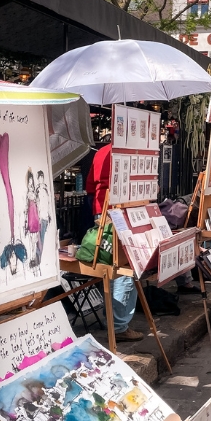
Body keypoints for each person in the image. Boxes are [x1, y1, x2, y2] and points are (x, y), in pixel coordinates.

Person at [85, 143, 144, 343]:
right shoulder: (129, 152)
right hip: (117, 211)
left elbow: (90, 186)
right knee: (122, 267)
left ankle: (114, 320)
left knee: (109, 265)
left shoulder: (102, 151)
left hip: (100, 209)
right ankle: (118, 325)